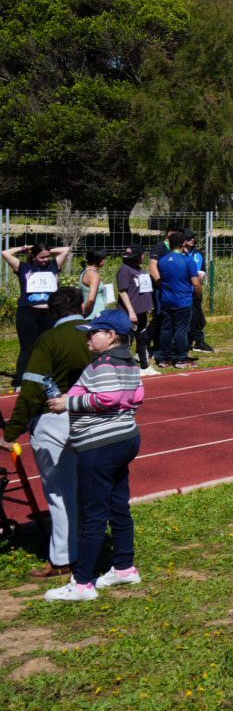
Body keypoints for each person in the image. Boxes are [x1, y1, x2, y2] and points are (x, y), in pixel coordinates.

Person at [44, 308, 145, 602]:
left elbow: (108, 398)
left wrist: (69, 402)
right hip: (125, 438)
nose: (88, 338)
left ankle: (83, 582)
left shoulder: (103, 364)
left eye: (94, 332)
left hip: (100, 446)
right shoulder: (130, 362)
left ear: (111, 336)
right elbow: (136, 396)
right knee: (117, 503)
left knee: (93, 511)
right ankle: (124, 566)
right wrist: (122, 416)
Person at [4, 288, 91, 578]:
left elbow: (31, 389)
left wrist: (11, 432)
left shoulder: (49, 340)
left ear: (52, 312)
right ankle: (98, 547)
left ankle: (64, 558)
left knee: (60, 492)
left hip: (55, 418)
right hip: (98, 417)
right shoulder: (100, 333)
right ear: (82, 306)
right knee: (92, 488)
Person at [5, 241, 74, 388]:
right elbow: (5, 253)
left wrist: (47, 250)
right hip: (28, 312)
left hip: (50, 313)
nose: (46, 260)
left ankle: (49, 377)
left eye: (47, 257)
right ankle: (21, 381)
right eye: (42, 257)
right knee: (27, 348)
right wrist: (26, 248)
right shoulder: (23, 267)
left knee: (50, 347)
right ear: (33, 257)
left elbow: (66, 249)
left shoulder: (53, 266)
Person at [153, 231, 200, 367]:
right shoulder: (187, 261)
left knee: (166, 329)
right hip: (183, 300)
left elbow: (161, 279)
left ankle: (164, 358)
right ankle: (180, 358)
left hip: (166, 300)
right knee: (181, 329)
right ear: (183, 243)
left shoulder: (162, 261)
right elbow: (196, 283)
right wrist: (198, 294)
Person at [114, 246, 156, 374]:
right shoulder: (125, 270)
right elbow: (123, 292)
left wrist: (149, 306)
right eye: (143, 255)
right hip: (130, 313)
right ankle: (123, 368)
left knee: (142, 338)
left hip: (142, 311)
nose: (144, 257)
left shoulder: (139, 270)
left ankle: (144, 366)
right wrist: (131, 311)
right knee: (127, 340)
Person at [78, 252, 115, 319]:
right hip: (94, 316)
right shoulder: (93, 275)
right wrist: (85, 312)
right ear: (99, 260)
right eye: (104, 259)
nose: (105, 261)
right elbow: (91, 300)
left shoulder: (85, 271)